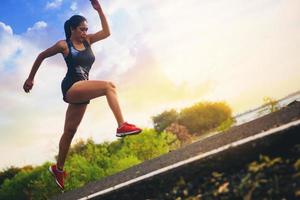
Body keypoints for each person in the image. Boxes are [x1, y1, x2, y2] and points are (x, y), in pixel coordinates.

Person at [23, 0, 142, 190]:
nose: (85, 32)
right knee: (109, 86)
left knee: (69, 132)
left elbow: (107, 32)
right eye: (82, 29)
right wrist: (30, 79)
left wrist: (99, 10)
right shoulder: (63, 45)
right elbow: (41, 56)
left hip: (83, 88)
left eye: (87, 29)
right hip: (71, 86)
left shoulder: (88, 41)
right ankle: (121, 126)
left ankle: (58, 169)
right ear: (72, 29)